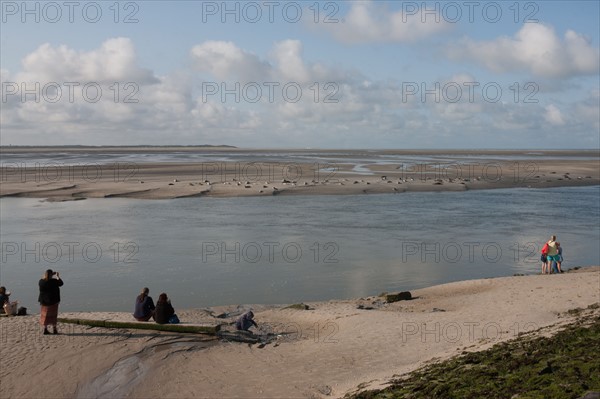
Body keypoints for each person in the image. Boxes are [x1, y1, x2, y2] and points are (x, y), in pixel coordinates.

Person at [38, 269, 64, 335]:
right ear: (51, 275)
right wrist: (57, 276)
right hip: (53, 301)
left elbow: (45, 279)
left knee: (45, 316)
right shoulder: (54, 281)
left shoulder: (41, 282)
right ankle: (54, 330)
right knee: (53, 315)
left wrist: (50, 275)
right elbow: (61, 283)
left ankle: (45, 329)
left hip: (43, 301)